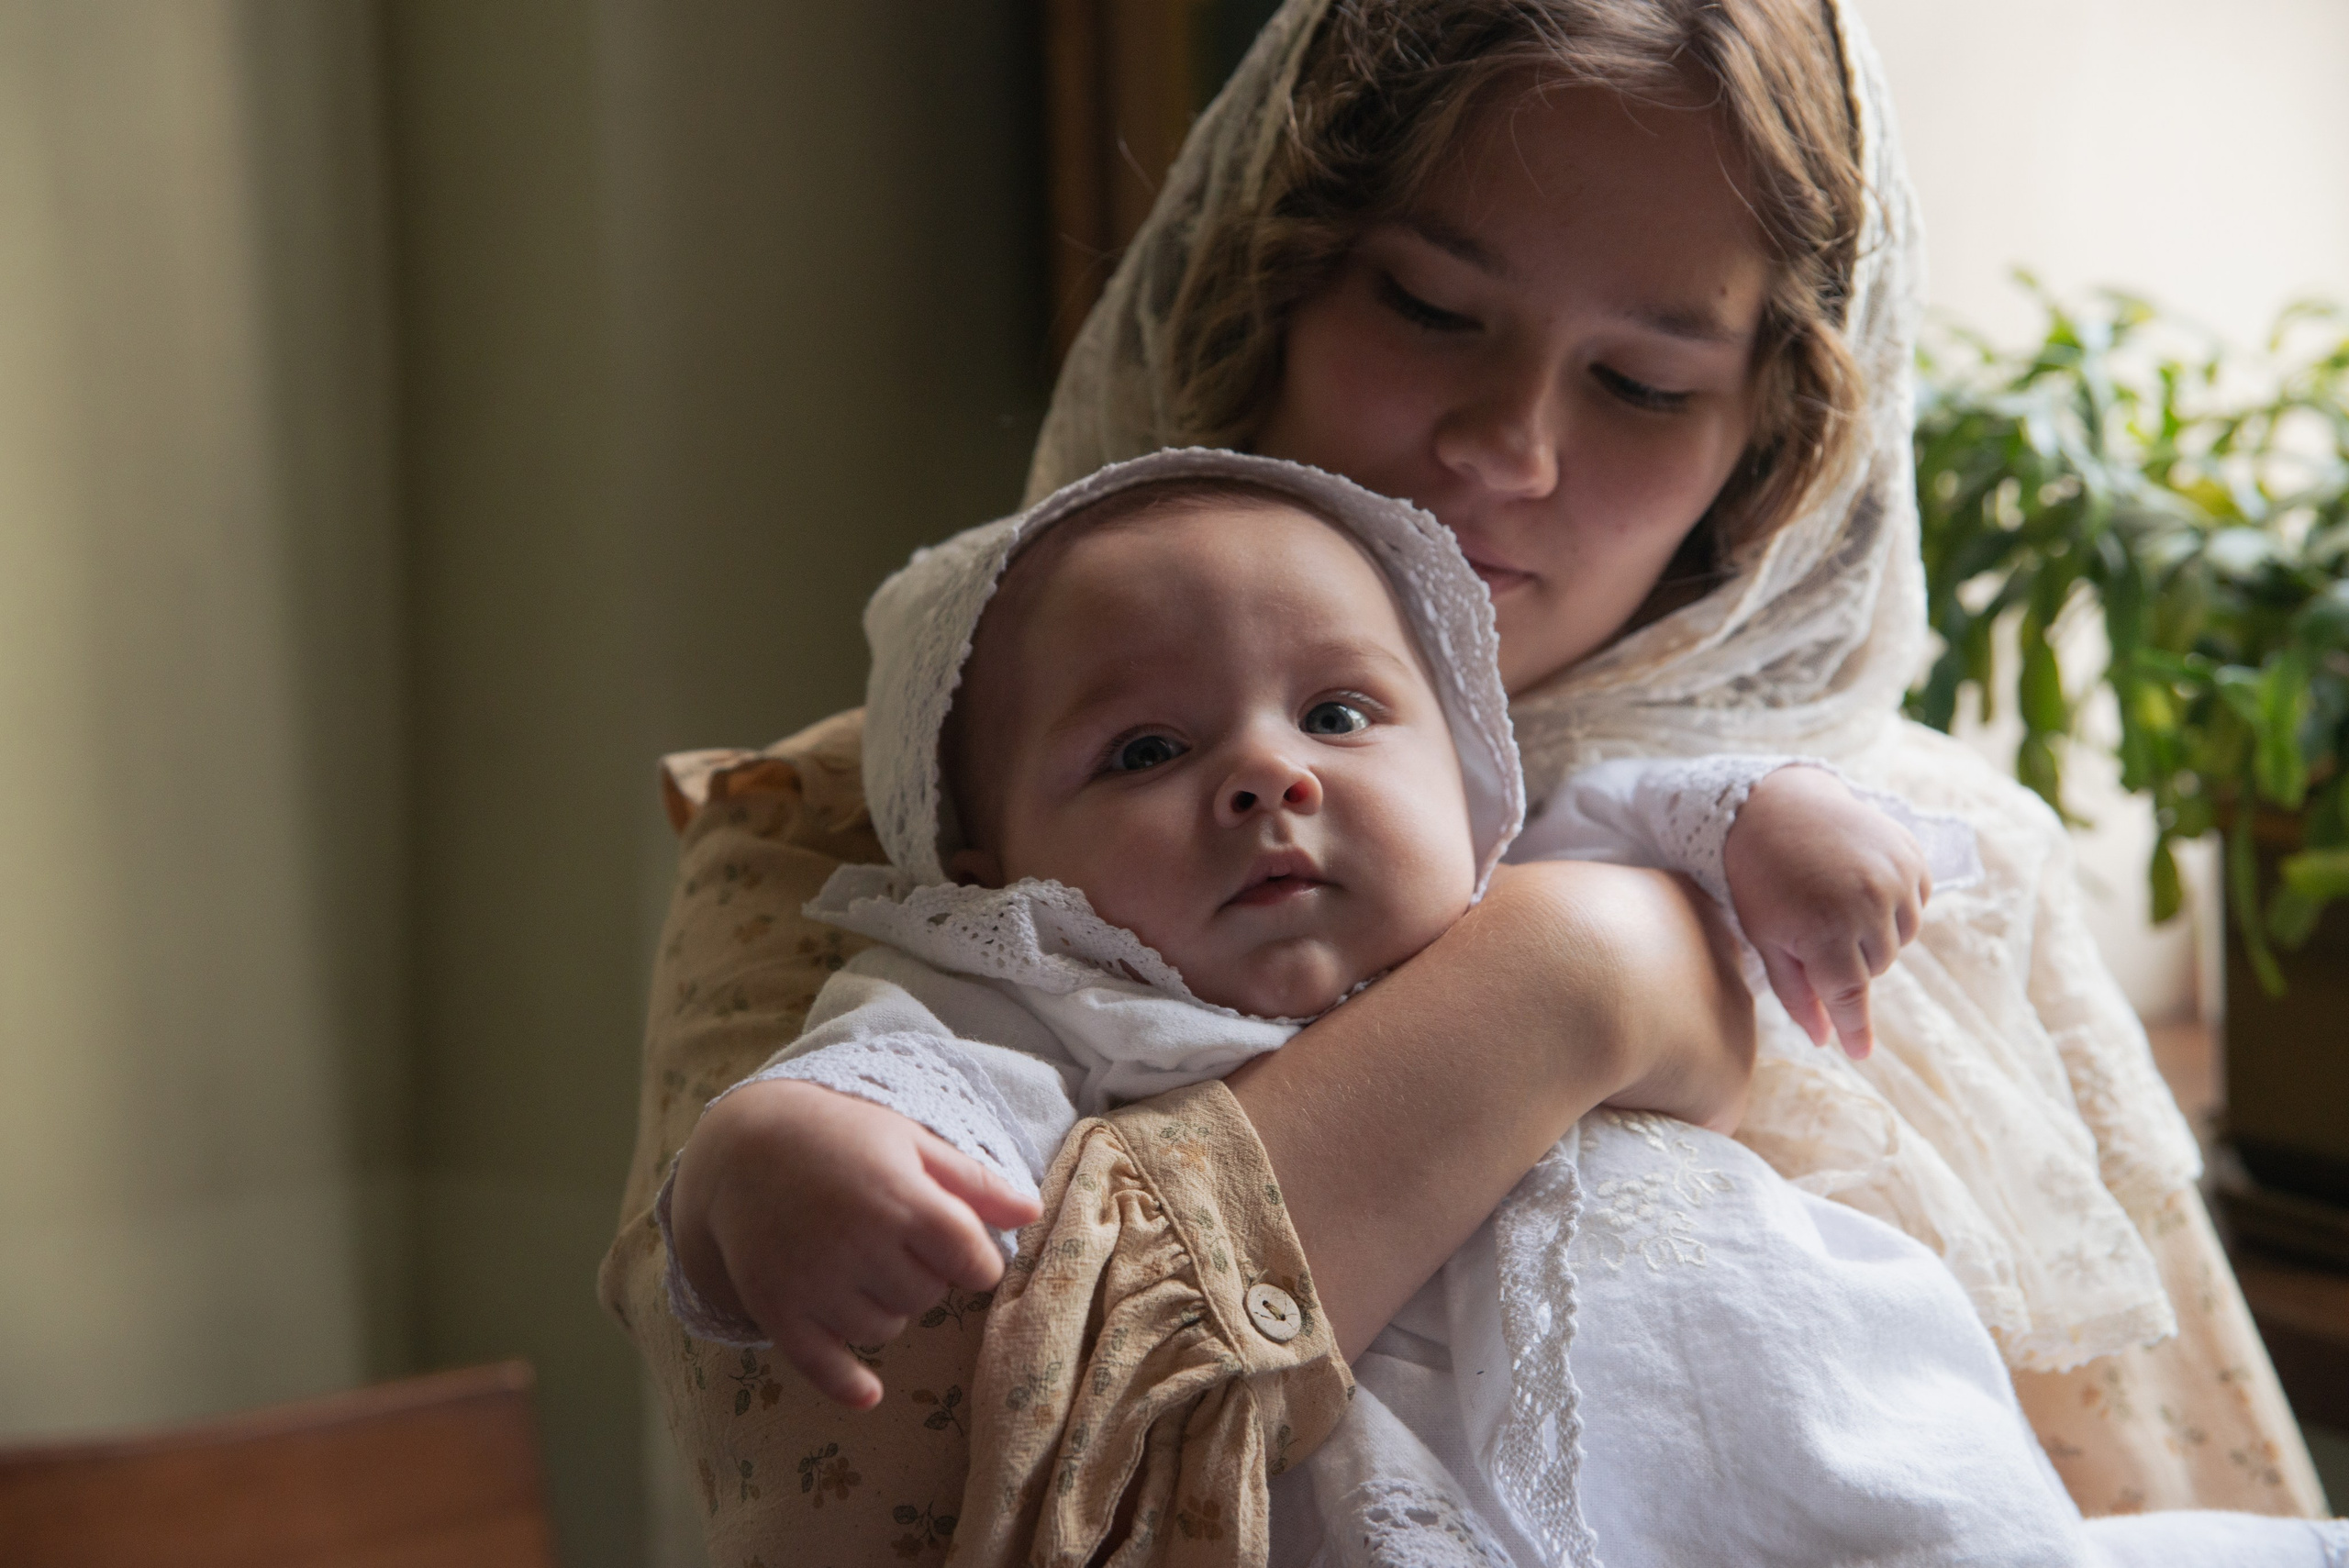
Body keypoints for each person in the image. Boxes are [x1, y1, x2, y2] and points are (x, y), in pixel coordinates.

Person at [601, 0, 2328, 1559]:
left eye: (1647, 381)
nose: (1508, 450)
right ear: (1262, 283)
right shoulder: (863, 844)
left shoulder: (1916, 854)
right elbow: (918, 1499)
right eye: (1429, 307)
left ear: (1770, 447)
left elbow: (2177, 1490)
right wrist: (1586, 973)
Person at [662, 448, 2345, 1566]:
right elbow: (884, 1083)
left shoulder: (1499, 859)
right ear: (987, 856)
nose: (1267, 775)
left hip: (1827, 1441)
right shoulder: (1029, 985)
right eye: (1147, 750)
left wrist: (1780, 818)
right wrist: (778, 1156)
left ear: (1459, 764)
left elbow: (1669, 810)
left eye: (1337, 709)